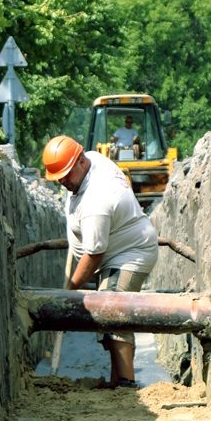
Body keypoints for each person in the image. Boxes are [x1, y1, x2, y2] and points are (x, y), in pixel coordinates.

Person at [43, 135, 159, 389]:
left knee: (113, 313)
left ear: (81, 162)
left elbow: (94, 253)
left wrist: (70, 290)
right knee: (109, 322)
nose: (62, 181)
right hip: (115, 254)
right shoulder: (92, 162)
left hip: (129, 255)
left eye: (65, 174)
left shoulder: (96, 200)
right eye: (57, 177)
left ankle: (126, 386)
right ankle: (116, 382)